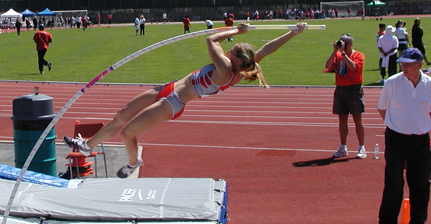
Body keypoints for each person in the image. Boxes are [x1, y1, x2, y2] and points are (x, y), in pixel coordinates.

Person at [65, 22, 307, 177]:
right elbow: (265, 50)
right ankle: (87, 146)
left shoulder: (225, 69)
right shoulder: (239, 66)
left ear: (236, 60)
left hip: (173, 103)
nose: (229, 49)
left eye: (233, 50)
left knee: (128, 133)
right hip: (171, 87)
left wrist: (236, 31)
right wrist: (292, 32)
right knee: (122, 115)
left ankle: (132, 162)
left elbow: (211, 40)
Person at [377, 48, 431, 224]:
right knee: (394, 182)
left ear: (419, 65)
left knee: (421, 182)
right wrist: (396, 125)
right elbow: (382, 108)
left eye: (409, 64)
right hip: (396, 137)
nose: (404, 67)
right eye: (402, 64)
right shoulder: (392, 83)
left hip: (421, 139)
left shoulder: (429, 84)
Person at [324, 33, 367, 159]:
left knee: (357, 119)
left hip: (354, 89)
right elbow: (328, 66)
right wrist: (335, 51)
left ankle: (361, 147)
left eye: (346, 43)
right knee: (342, 120)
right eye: (341, 42)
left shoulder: (358, 55)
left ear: (351, 44)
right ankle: (343, 147)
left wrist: (343, 54)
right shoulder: (337, 55)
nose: (343, 45)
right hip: (340, 89)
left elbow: (353, 67)